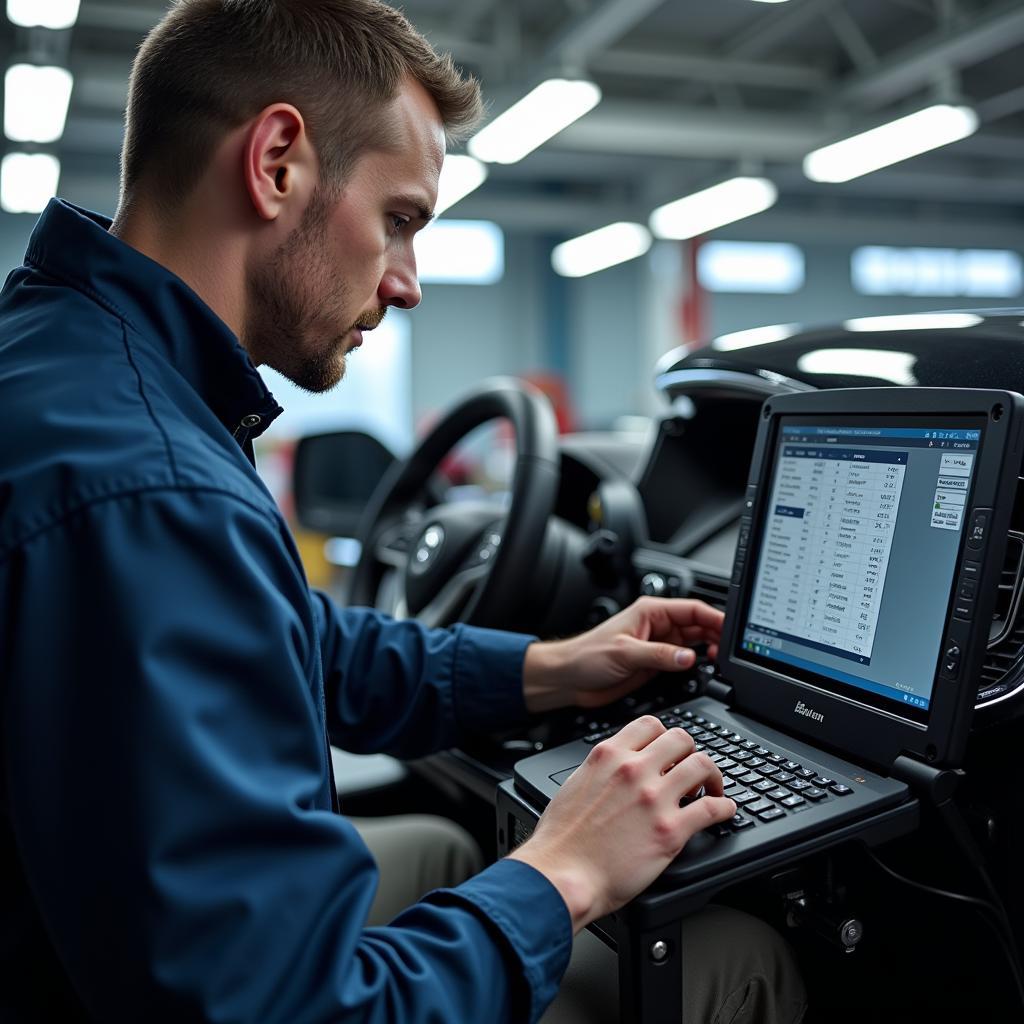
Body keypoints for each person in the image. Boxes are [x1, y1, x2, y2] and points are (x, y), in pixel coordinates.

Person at [0, 1, 807, 1021]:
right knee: (729, 960)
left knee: (440, 848)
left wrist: (546, 668)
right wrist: (568, 871)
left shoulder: (68, 362)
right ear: (278, 161)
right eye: (401, 220)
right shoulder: (156, 489)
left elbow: (279, 638)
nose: (407, 282)